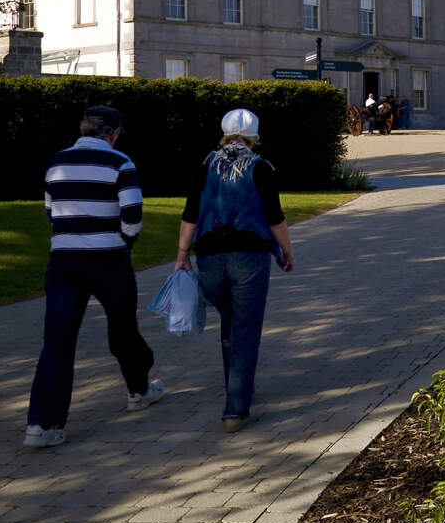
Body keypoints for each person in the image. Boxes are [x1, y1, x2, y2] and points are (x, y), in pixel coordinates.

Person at [24, 105, 163, 449]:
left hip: (64, 260)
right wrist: (124, 244)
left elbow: (49, 211)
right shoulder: (120, 163)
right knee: (123, 330)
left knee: (57, 342)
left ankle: (42, 425)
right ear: (112, 133)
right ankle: (139, 389)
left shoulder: (57, 162)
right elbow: (132, 213)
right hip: (108, 258)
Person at [174, 108, 295, 433]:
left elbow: (190, 214)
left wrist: (182, 255)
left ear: (224, 133)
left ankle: (237, 387)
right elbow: (274, 216)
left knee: (230, 322)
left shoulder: (204, 166)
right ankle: (236, 408)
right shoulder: (261, 167)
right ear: (254, 136)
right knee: (245, 327)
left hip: (210, 255)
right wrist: (287, 250)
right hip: (249, 255)